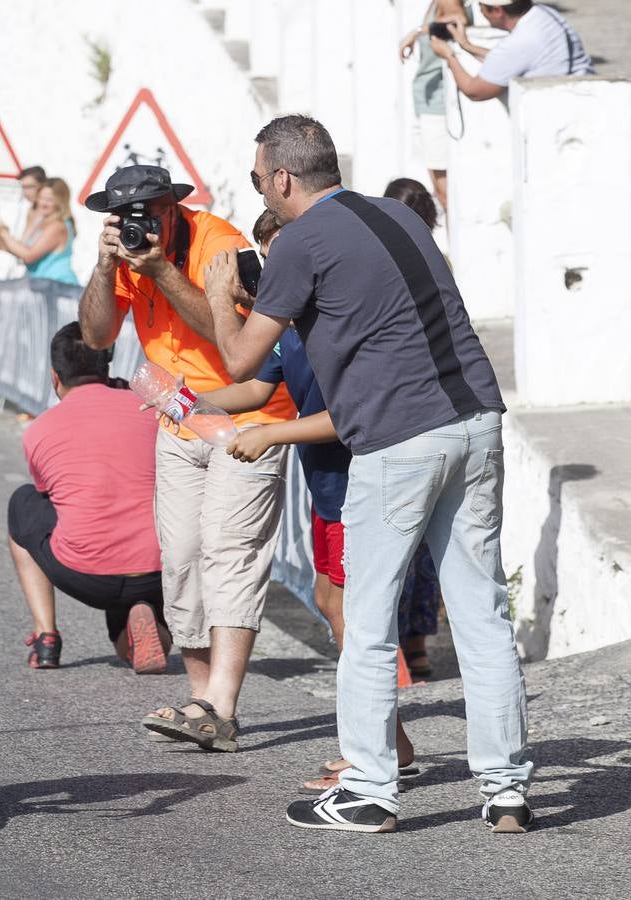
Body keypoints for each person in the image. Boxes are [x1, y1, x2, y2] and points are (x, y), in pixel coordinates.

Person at [206, 114, 532, 833]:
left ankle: (369, 791)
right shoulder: (396, 214)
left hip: (398, 437)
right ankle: (506, 788)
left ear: (282, 179)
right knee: (481, 613)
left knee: (368, 619)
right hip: (476, 418)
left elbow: (238, 361)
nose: (259, 188)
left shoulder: (298, 240)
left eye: (257, 180)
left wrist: (220, 295)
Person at [78, 164, 297, 753]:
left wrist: (162, 272)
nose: (140, 225)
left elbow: (241, 340)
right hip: (178, 421)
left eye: (151, 212)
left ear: (172, 207)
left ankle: (220, 705)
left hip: (248, 418)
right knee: (181, 560)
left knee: (229, 552)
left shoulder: (218, 244)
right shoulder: (125, 253)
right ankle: (203, 703)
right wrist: (105, 267)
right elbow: (96, 336)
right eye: (126, 217)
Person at [201, 209, 419, 796]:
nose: (278, 269)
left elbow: (349, 417)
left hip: (355, 486)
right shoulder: (290, 324)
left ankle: (375, 747)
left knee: (351, 614)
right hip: (325, 489)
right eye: (269, 258)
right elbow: (255, 384)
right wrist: (193, 401)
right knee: (329, 600)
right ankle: (391, 740)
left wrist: (271, 434)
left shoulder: (332, 323)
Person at [8, 322, 171, 674]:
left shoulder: (39, 430)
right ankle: (150, 622)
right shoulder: (150, 408)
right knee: (141, 587)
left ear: (55, 377)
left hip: (88, 575)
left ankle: (46, 636)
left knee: (22, 502)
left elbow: (49, 497)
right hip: (161, 567)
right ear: (107, 366)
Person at [383, 176, 445, 679]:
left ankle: (398, 650)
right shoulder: (440, 264)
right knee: (427, 540)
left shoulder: (375, 260)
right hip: (441, 407)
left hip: (395, 411)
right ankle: (417, 644)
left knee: (394, 540)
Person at [431, 0, 593, 102]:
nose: (480, 12)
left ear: (497, 11)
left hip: (563, 106)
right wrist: (467, 46)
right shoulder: (543, 14)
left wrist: (449, 56)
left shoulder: (520, 41)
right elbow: (509, 61)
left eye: (481, 7)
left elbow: (475, 92)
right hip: (581, 94)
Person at [398, 1, 469, 209]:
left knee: (445, 194)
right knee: (440, 191)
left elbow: (458, 19)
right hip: (427, 102)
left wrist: (418, 31)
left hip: (437, 106)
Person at [0, 178, 80, 286]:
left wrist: (3, 233)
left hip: (58, 285)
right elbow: (24, 251)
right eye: (41, 198)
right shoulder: (44, 221)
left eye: (49, 200)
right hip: (44, 284)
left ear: (60, 201)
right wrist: (1, 244)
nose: (43, 203)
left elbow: (29, 256)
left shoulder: (58, 226)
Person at [16, 165, 47, 240]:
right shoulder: (31, 210)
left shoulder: (50, 213)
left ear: (42, 185)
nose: (25, 193)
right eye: (23, 187)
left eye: (29, 187)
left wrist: (3, 235)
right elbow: (24, 243)